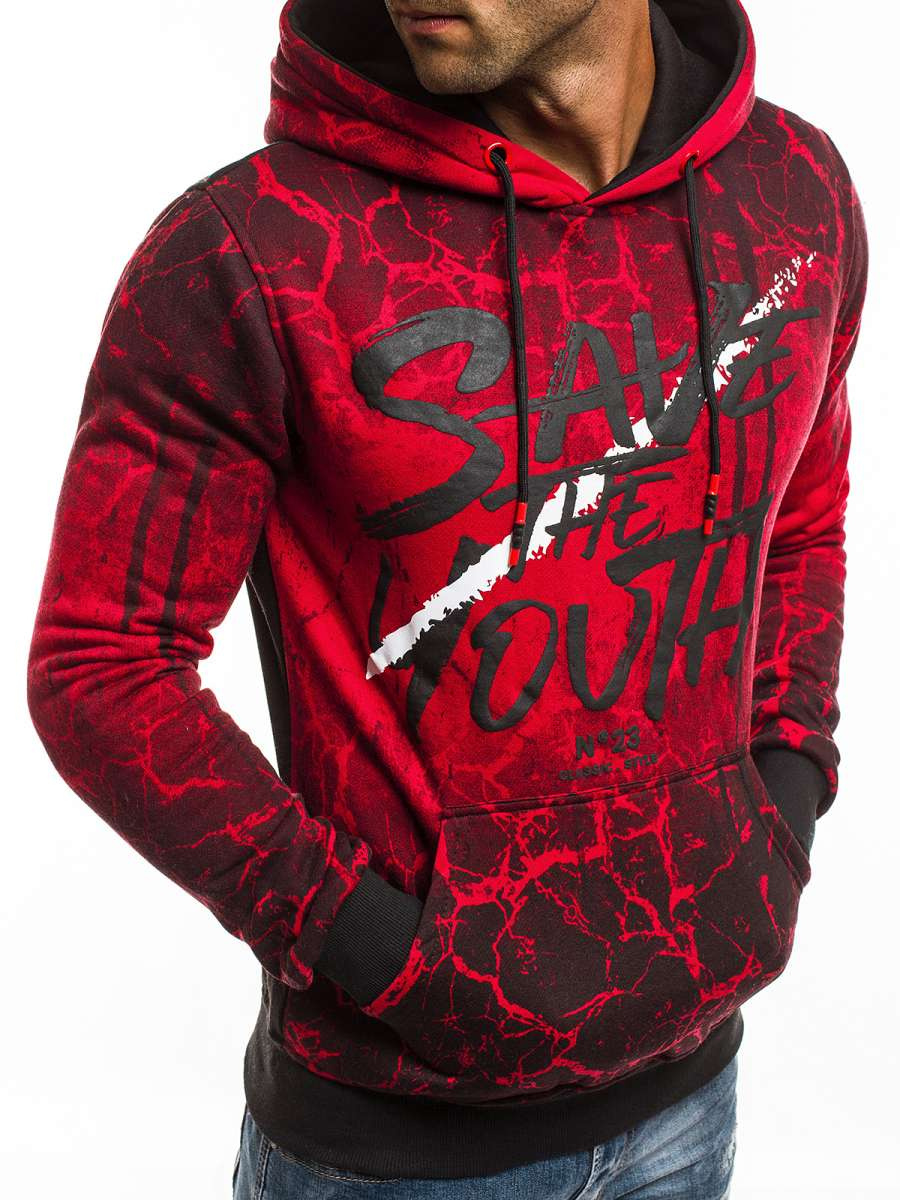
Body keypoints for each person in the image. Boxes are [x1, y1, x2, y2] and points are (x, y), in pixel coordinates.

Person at [26, 0, 867, 1196]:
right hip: (395, 1150)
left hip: (692, 1095)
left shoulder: (791, 194)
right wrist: (374, 947)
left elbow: (801, 521)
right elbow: (102, 670)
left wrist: (781, 803)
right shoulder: (251, 250)